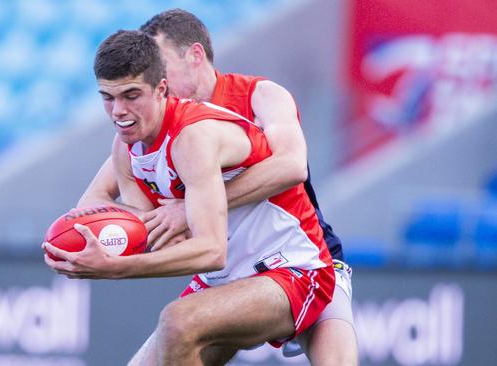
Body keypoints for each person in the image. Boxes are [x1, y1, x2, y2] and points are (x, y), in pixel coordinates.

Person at [78, 9, 358, 366]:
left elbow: (292, 165)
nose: (153, 75)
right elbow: (99, 198)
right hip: (227, 273)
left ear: (194, 56)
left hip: (299, 255)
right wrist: (130, 233)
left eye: (158, 66)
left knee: (180, 322)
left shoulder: (258, 96)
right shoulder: (148, 129)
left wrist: (183, 212)